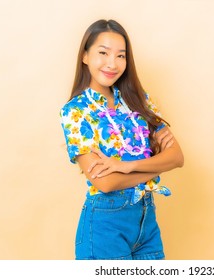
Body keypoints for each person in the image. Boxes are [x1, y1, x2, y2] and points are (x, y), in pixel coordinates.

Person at [59, 19, 184, 260]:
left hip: (146, 220)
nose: (112, 63)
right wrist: (157, 166)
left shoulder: (138, 100)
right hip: (105, 226)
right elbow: (105, 183)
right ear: (85, 56)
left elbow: (177, 157)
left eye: (120, 56)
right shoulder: (76, 111)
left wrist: (126, 166)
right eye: (103, 53)